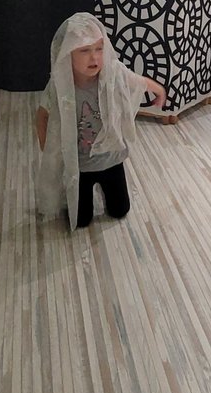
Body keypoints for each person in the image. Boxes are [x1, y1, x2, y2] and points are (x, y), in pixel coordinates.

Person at [36, 12, 166, 230]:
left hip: (111, 158)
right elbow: (42, 115)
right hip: (80, 165)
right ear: (67, 52)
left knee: (120, 210)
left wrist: (158, 90)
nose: (94, 58)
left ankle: (109, 194)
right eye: (84, 50)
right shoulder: (60, 85)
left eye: (99, 49)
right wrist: (46, 146)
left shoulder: (112, 73)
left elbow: (136, 80)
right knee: (80, 220)